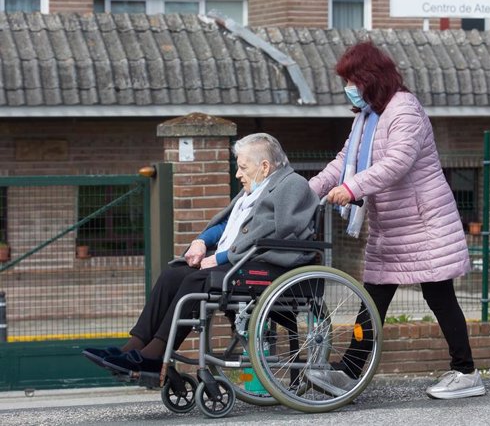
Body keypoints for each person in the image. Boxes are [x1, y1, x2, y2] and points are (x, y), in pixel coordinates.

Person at [307, 42, 485, 400]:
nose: (348, 88)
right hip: (391, 226)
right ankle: (350, 370)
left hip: (424, 223)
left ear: (369, 77)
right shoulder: (367, 116)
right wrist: (305, 192)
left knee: (439, 295)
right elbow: (344, 160)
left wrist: (350, 188)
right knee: (373, 298)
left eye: (351, 80)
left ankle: (466, 373)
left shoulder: (405, 110)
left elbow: (397, 163)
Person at [82, 133, 319, 373]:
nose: (238, 174)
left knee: (197, 280)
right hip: (241, 261)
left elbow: (275, 233)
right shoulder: (254, 189)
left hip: (270, 266)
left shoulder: (292, 184)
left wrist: (222, 257)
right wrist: (201, 242)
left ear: (265, 166)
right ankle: (134, 345)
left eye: (242, 167)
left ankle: (155, 355)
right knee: (172, 274)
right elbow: (228, 225)